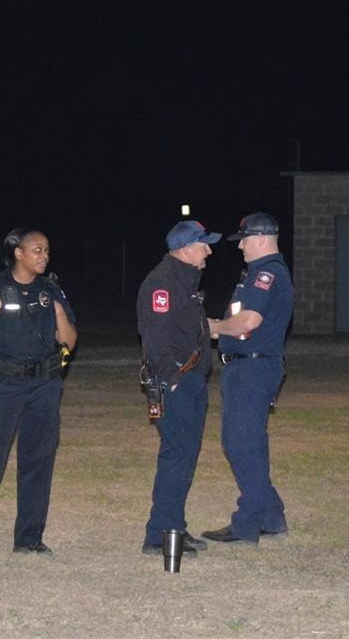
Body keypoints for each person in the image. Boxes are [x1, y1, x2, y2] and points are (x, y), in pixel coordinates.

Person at [0, 227, 78, 558]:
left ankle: (29, 538)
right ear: (18, 253)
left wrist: (58, 309)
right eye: (37, 249)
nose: (44, 256)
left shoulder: (51, 289)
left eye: (47, 250)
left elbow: (70, 341)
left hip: (45, 385)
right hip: (4, 384)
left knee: (38, 460)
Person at [203, 212, 292, 544]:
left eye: (242, 241)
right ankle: (271, 517)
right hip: (248, 367)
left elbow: (247, 323)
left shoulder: (266, 275)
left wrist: (211, 327)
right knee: (246, 443)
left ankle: (247, 524)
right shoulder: (257, 273)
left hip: (252, 368)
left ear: (260, 239)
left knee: (241, 444)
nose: (240, 248)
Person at [136, 220, 221, 557]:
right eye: (204, 245)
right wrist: (173, 380)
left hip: (190, 382)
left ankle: (173, 527)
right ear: (187, 249)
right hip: (177, 384)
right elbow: (156, 342)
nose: (209, 251)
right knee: (176, 457)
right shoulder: (163, 283)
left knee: (184, 459)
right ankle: (158, 537)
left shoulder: (184, 281)